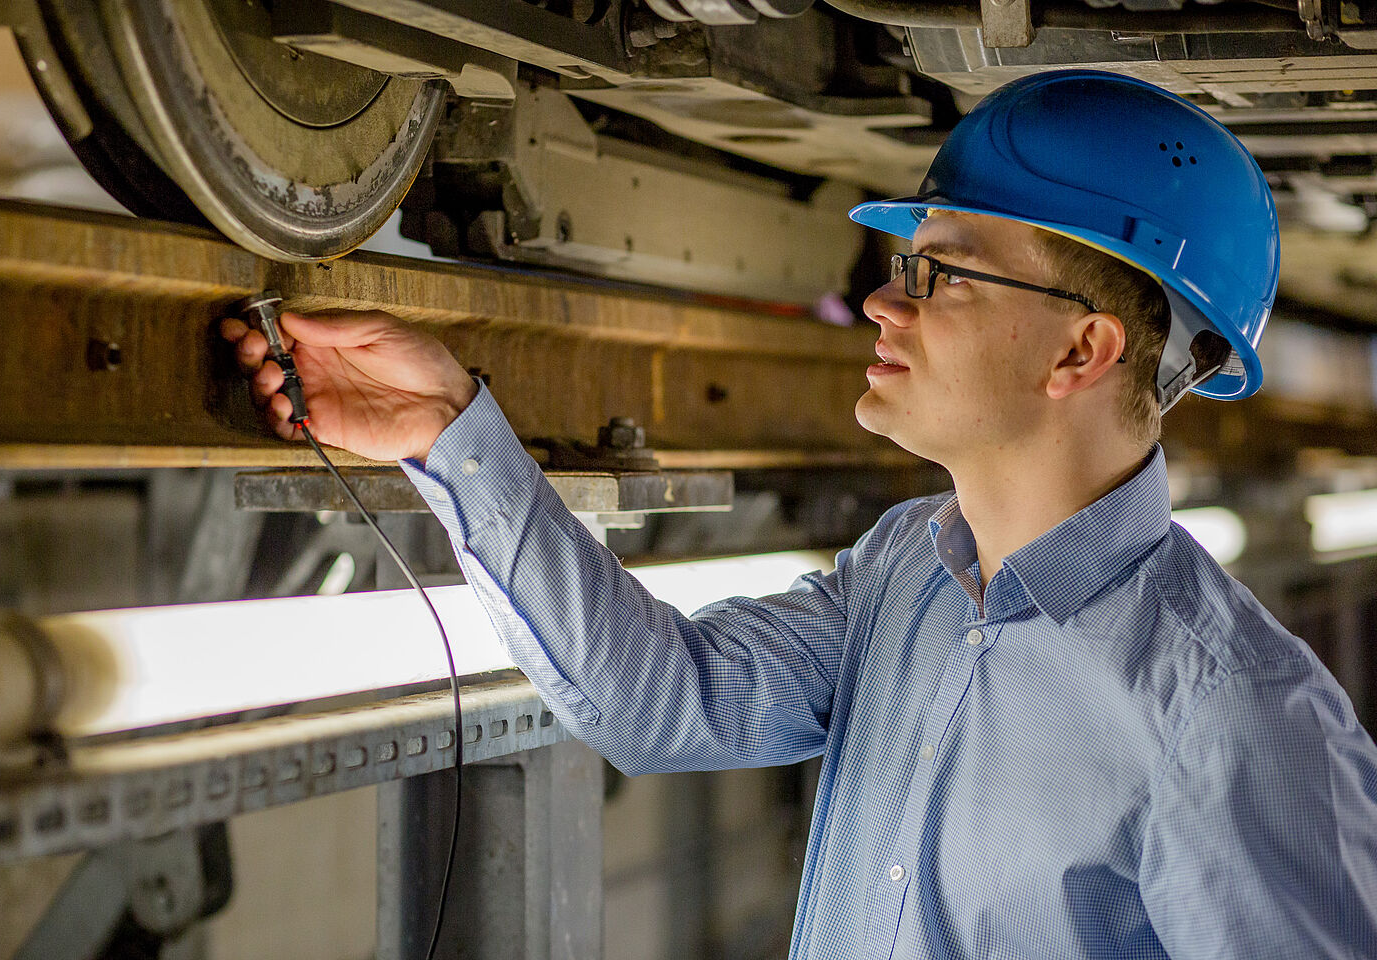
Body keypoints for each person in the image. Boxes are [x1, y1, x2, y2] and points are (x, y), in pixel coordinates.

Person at [224, 71, 1377, 958]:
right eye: (900, 263)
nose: (881, 299)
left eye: (943, 274)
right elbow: (663, 704)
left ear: (1083, 347)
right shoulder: (903, 574)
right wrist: (448, 431)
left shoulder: (1237, 717)